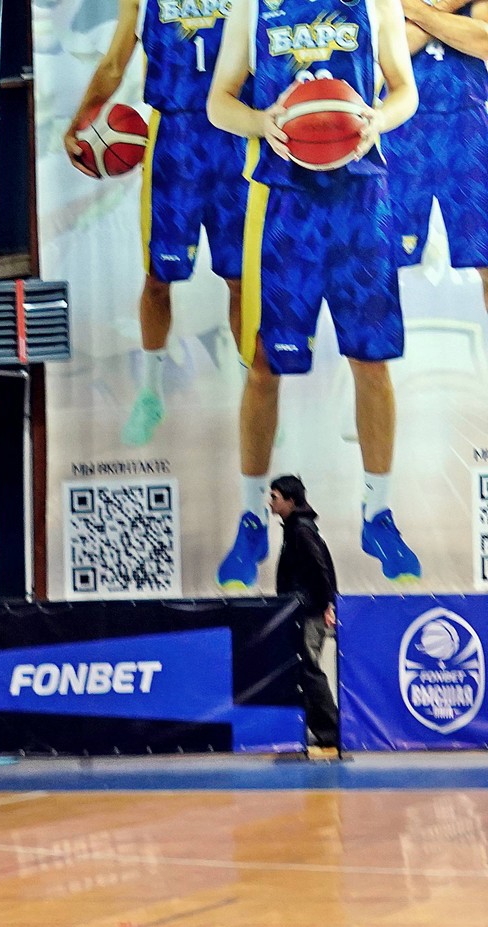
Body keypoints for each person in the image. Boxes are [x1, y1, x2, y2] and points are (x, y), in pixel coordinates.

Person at [210, 0, 419, 586]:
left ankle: (378, 514)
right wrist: (262, 122)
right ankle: (252, 519)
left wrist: (378, 119)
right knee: (263, 367)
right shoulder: (253, 6)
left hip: (360, 202)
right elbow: (219, 101)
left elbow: (405, 91)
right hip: (282, 205)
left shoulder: (376, 2)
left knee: (372, 364)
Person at [69, 0, 250, 447]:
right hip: (173, 145)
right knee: (157, 280)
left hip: (238, 141)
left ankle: (256, 392)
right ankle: (151, 393)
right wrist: (80, 122)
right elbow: (115, 62)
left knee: (242, 281)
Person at [392, 0, 488, 310]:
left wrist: (415, 10)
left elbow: (484, 41)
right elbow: (381, 53)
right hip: (396, 125)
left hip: (467, 126)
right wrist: (446, 8)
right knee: (377, 262)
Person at [270, 475, 340, 748]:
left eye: (274, 497)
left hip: (310, 611)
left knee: (309, 669)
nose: (270, 502)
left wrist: (327, 605)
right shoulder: (295, 528)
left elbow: (320, 568)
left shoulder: (301, 530)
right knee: (304, 669)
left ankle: (331, 731)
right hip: (303, 608)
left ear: (290, 500)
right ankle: (322, 729)